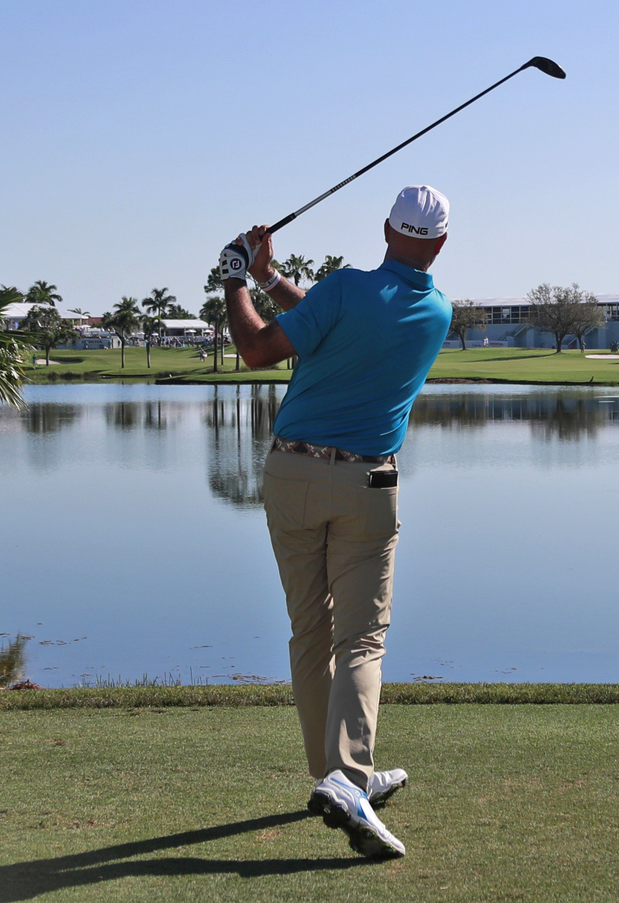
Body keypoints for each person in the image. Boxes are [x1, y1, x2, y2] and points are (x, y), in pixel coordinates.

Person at [219, 184, 454, 861]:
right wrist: (266, 278)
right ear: (439, 244)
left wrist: (236, 279)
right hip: (365, 484)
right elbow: (308, 328)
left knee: (310, 628)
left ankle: (332, 772)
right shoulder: (435, 310)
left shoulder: (345, 288)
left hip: (290, 474)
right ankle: (348, 778)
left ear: (385, 228)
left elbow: (263, 346)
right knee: (360, 637)